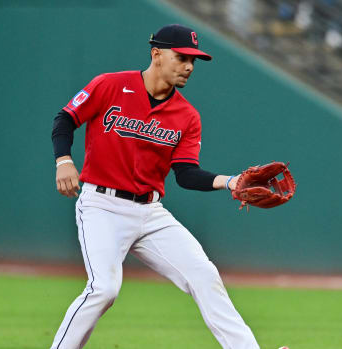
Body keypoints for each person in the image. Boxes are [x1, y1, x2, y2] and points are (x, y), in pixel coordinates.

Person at [50, 24, 284, 349]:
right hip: (102, 206)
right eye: (182, 57)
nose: (189, 66)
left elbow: (186, 174)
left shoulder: (187, 115)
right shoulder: (110, 85)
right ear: (156, 54)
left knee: (204, 274)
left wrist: (230, 182)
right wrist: (64, 160)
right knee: (104, 289)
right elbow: (65, 119)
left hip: (150, 213)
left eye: (194, 60)